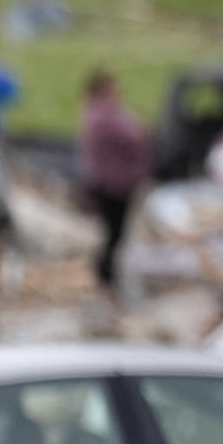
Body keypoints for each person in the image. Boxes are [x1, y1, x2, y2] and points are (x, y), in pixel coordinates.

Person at [78, 70, 153, 289]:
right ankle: (106, 278)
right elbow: (137, 134)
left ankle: (107, 277)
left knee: (115, 233)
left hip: (111, 183)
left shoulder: (98, 113)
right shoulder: (105, 116)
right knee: (115, 234)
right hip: (114, 185)